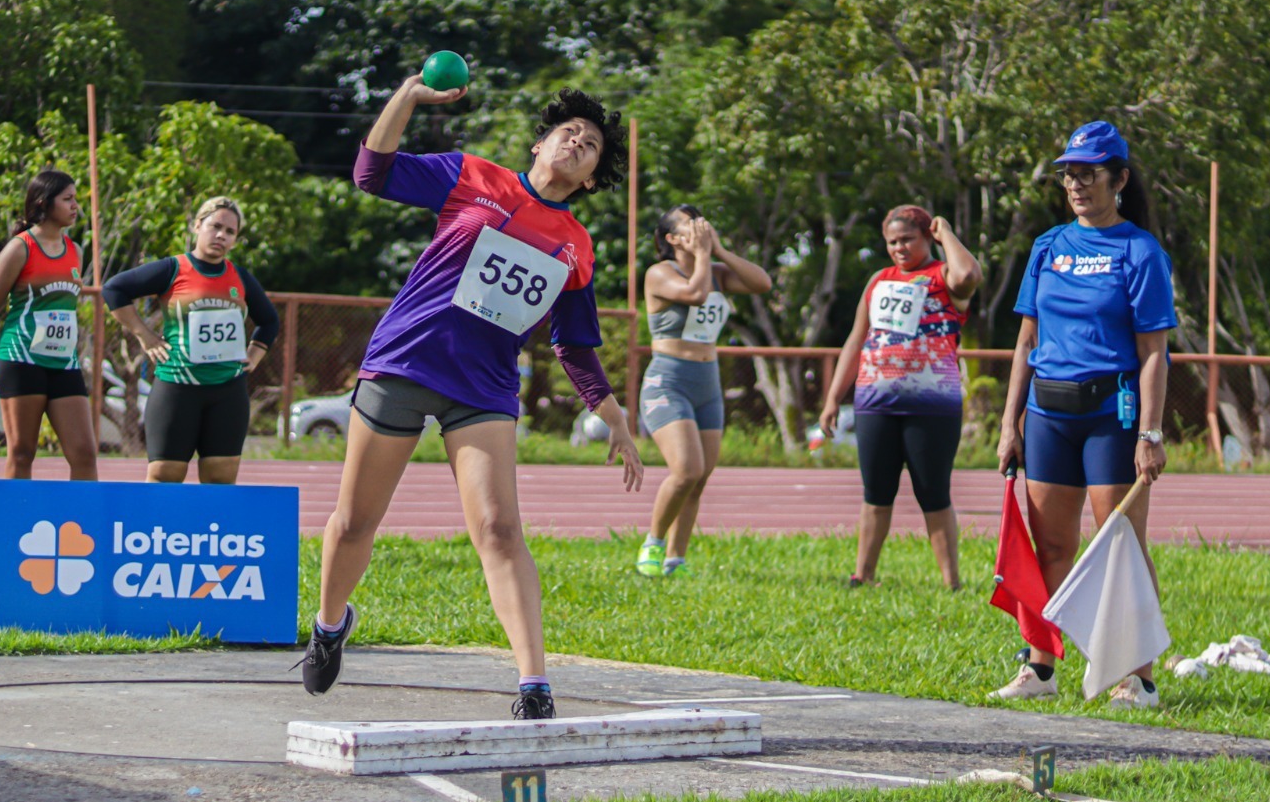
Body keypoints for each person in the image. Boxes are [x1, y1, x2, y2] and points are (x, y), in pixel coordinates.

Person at [299, 79, 644, 720]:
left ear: (594, 177)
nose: (578, 141)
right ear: (539, 143)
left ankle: (534, 685)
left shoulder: (577, 246)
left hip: (483, 388)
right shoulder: (472, 176)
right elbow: (371, 173)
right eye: (568, 132)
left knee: (500, 529)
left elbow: (574, 345)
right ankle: (328, 625)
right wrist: (407, 95)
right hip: (405, 361)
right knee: (352, 524)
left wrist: (615, 418)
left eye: (592, 144)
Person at [991, 121, 1175, 708]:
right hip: (1048, 412)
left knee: (1118, 543)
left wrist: (1149, 432)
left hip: (1111, 415)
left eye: (1089, 172)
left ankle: (1137, 676)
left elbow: (1154, 354)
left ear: (1118, 179)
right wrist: (1008, 422)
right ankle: (1040, 669)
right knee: (1051, 546)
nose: (1076, 183)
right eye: (1069, 172)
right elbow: (1025, 341)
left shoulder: (1140, 251)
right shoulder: (1048, 246)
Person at [820, 206, 983, 589]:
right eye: (892, 242)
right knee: (876, 492)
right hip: (876, 402)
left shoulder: (943, 277)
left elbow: (969, 274)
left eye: (908, 239)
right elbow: (855, 341)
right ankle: (863, 575)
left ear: (928, 237)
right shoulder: (879, 280)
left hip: (933, 405)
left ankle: (951, 582)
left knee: (933, 492)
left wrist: (948, 236)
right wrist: (832, 399)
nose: (899, 248)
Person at [103, 196, 280, 483]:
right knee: (165, 474)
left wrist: (254, 355)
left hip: (227, 390)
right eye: (215, 226)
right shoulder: (173, 269)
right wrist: (144, 335)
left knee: (221, 479)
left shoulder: (240, 277)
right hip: (177, 386)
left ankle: (211, 529)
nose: (221, 235)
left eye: (230, 232)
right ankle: (158, 529)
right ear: (198, 226)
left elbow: (269, 321)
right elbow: (114, 290)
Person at [635, 206, 772, 577]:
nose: (700, 232)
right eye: (689, 228)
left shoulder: (717, 271)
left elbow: (762, 284)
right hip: (669, 380)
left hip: (708, 382)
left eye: (702, 225)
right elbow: (695, 294)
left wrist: (721, 252)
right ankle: (653, 542)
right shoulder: (660, 274)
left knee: (701, 476)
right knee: (686, 470)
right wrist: (706, 256)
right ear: (672, 239)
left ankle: (676, 559)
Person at [0, 170, 98, 481]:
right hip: (20, 360)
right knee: (21, 452)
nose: (75, 206)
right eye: (67, 199)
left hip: (63, 363)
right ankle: (15, 526)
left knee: (84, 452)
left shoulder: (75, 251)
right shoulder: (20, 248)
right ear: (44, 203)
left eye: (75, 199)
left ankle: (82, 527)